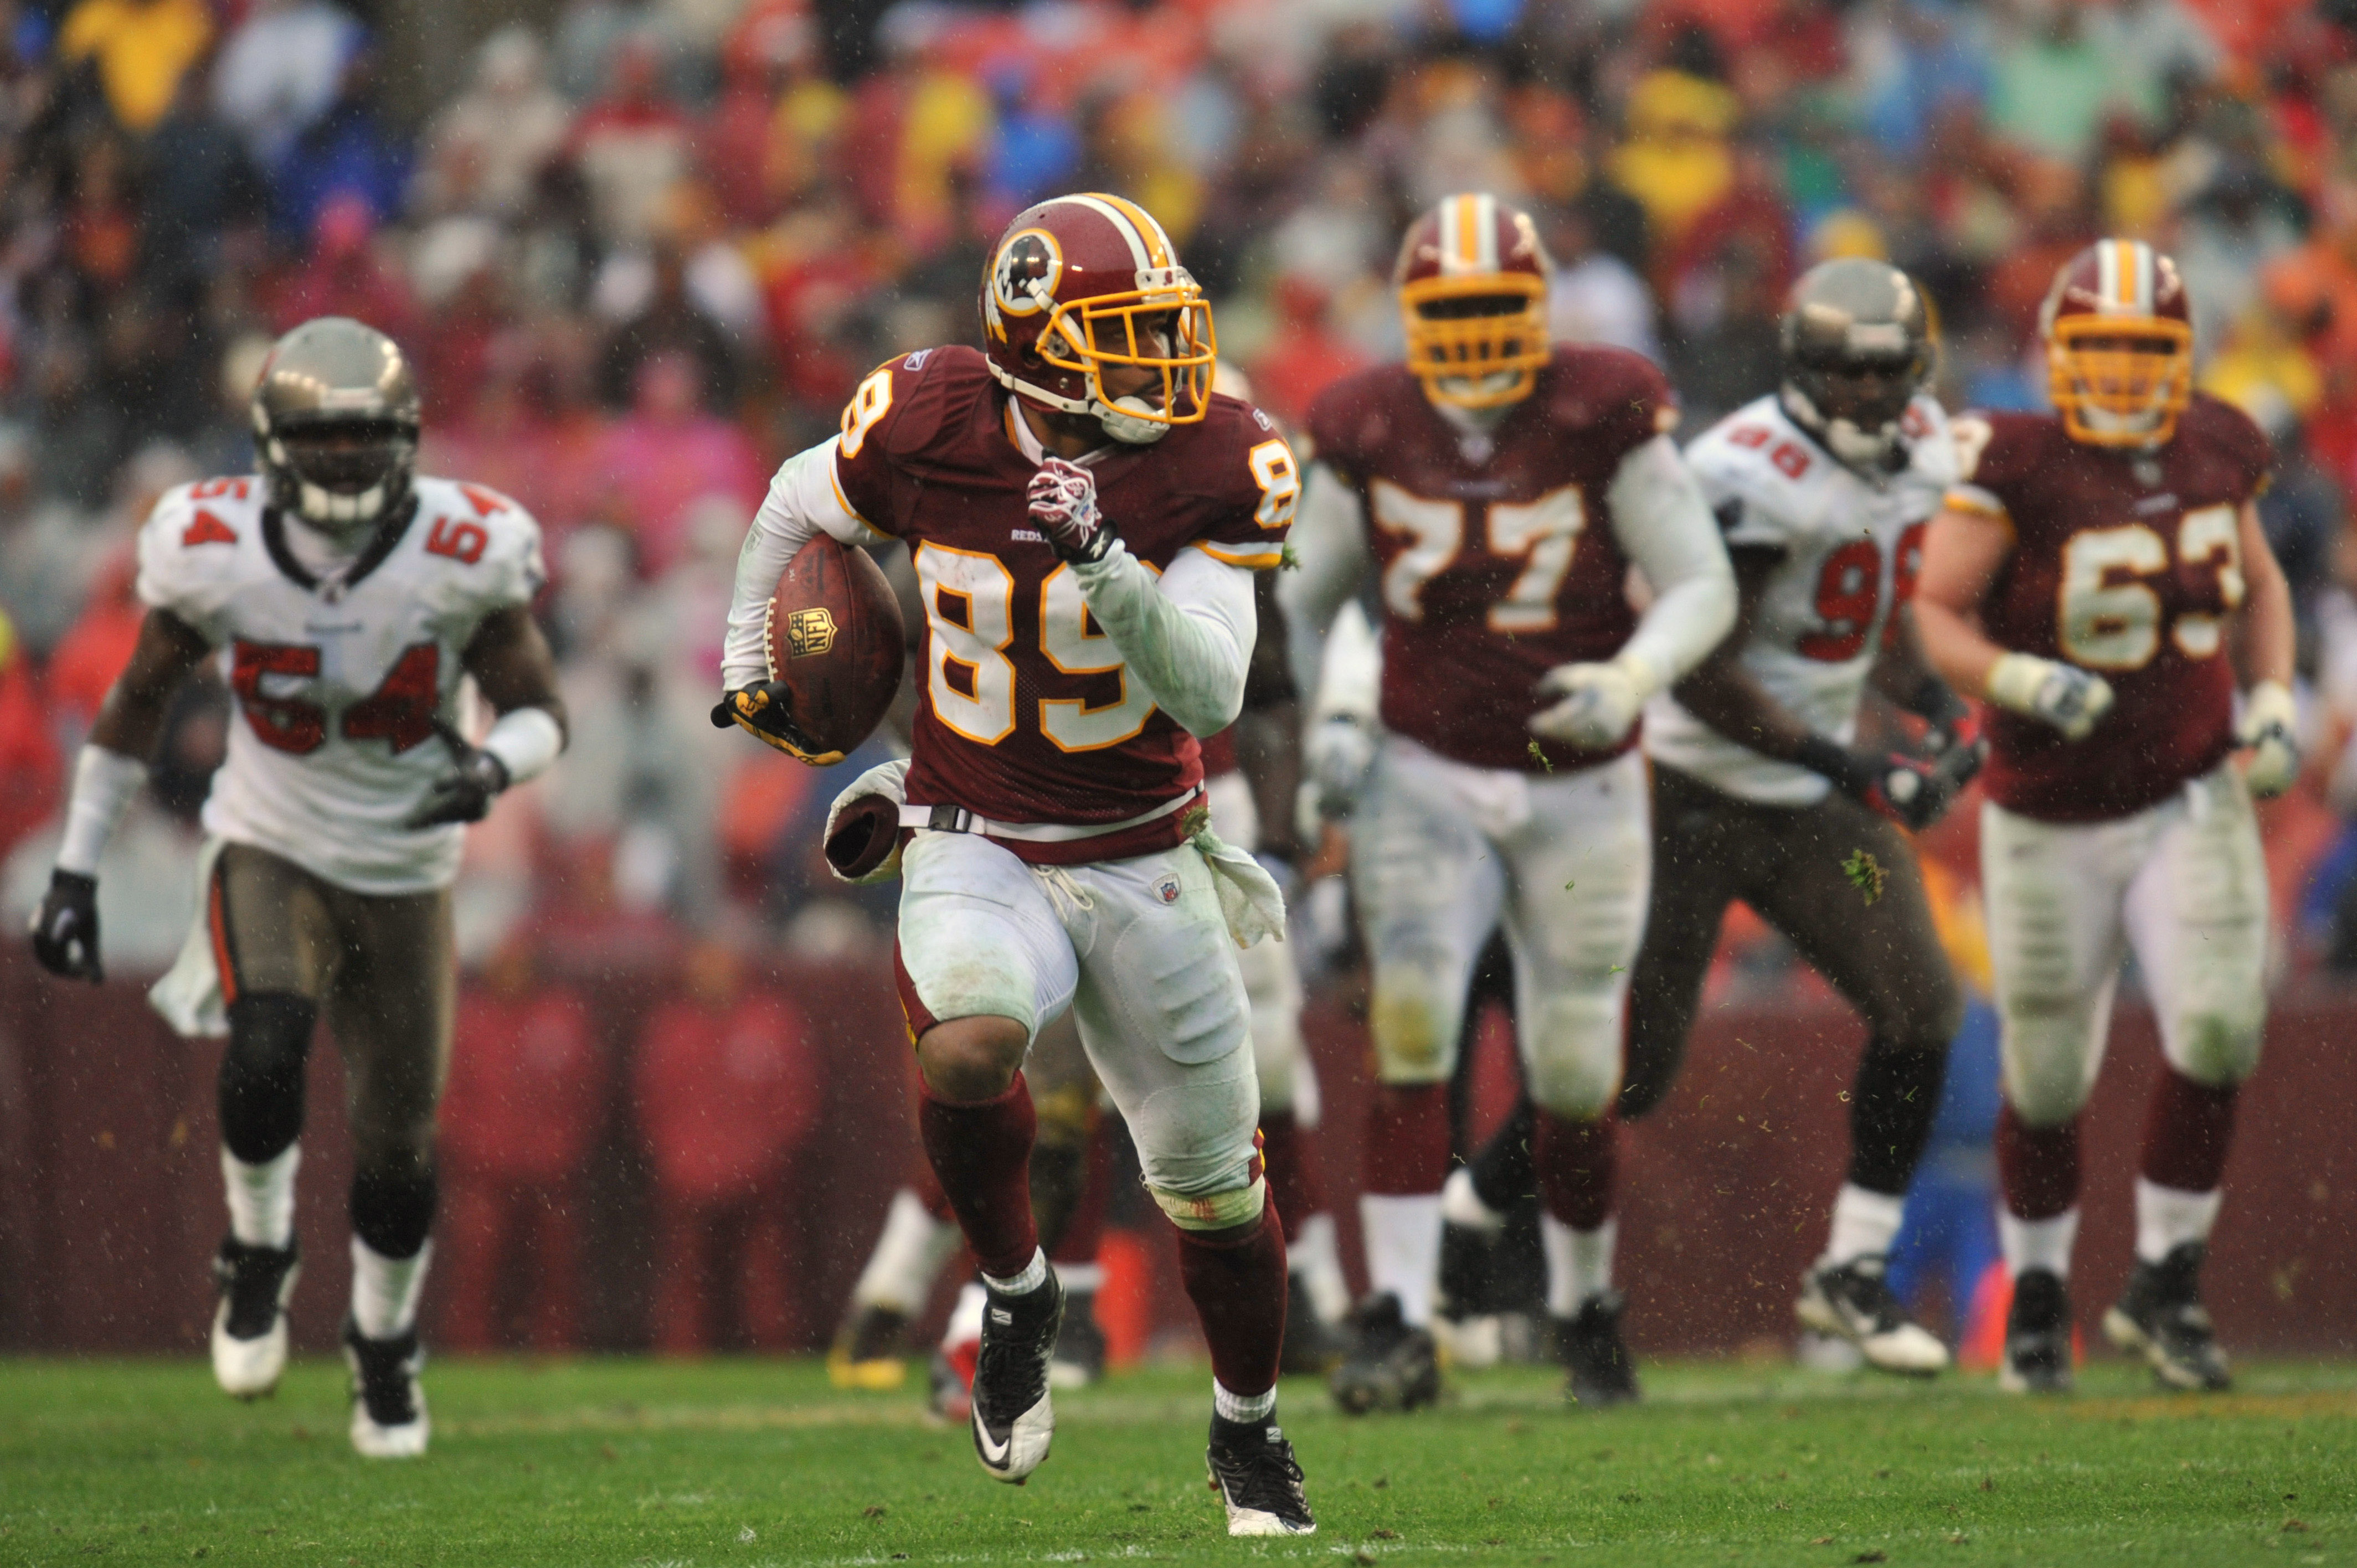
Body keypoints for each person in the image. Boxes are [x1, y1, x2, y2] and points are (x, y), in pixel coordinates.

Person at [715, 193, 1314, 1535]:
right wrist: (748, 660)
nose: (1166, 362)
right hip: (975, 835)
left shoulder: (1210, 457)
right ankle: (1017, 1288)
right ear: (1035, 348)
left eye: (1167, 328)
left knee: (1215, 1192)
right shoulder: (929, 420)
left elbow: (1211, 692)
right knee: (970, 1046)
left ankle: (1247, 1432)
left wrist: (1106, 559)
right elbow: (787, 501)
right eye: (1127, 334)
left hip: (1145, 850)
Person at [27, 318, 565, 1456]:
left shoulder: (468, 546)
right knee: (265, 1039)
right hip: (270, 843)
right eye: (321, 441)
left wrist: (487, 767)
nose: (344, 461)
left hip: (408, 871)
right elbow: (135, 704)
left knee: (398, 1147)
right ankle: (259, 1252)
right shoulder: (210, 543)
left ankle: (381, 1345)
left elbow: (538, 711)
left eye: (366, 438)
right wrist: (75, 866)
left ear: (406, 440)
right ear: (271, 445)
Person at [1280, 193, 1736, 1412]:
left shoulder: (1602, 407)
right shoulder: (1367, 421)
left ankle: (1584, 1307)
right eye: (1455, 312)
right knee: (1412, 1039)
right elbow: (1299, 603)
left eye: (1497, 310)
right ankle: (1400, 1322)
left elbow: (1701, 583)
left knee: (1577, 1063)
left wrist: (1632, 673)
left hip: (1573, 771)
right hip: (1424, 765)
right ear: (1412, 316)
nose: (1478, 335)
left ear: (1538, 312)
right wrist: (1337, 711)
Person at [1912, 239, 2298, 1394]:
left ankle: (2164, 1286)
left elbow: (2262, 582)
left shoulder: (2221, 442)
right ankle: (2036, 1295)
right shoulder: (2015, 457)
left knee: (2222, 1029)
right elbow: (1935, 608)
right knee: (2044, 1076)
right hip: (2045, 812)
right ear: (2056, 352)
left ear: (2179, 358)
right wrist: (2018, 682)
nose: (2123, 374)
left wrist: (2272, 695)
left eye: (2144, 351)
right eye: (2101, 349)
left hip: (2188, 788)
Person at [1610, 257, 1978, 1376]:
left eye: (1887, 371)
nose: (1872, 394)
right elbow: (1702, 675)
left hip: (1814, 799)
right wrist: (1854, 760)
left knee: (1923, 1007)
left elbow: (1870, 609)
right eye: (1845, 371)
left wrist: (1932, 706)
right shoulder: (1742, 473)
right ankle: (1474, 1221)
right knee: (1623, 1071)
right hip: (1690, 794)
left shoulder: (1923, 452)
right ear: (1801, 368)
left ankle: (1852, 1273)